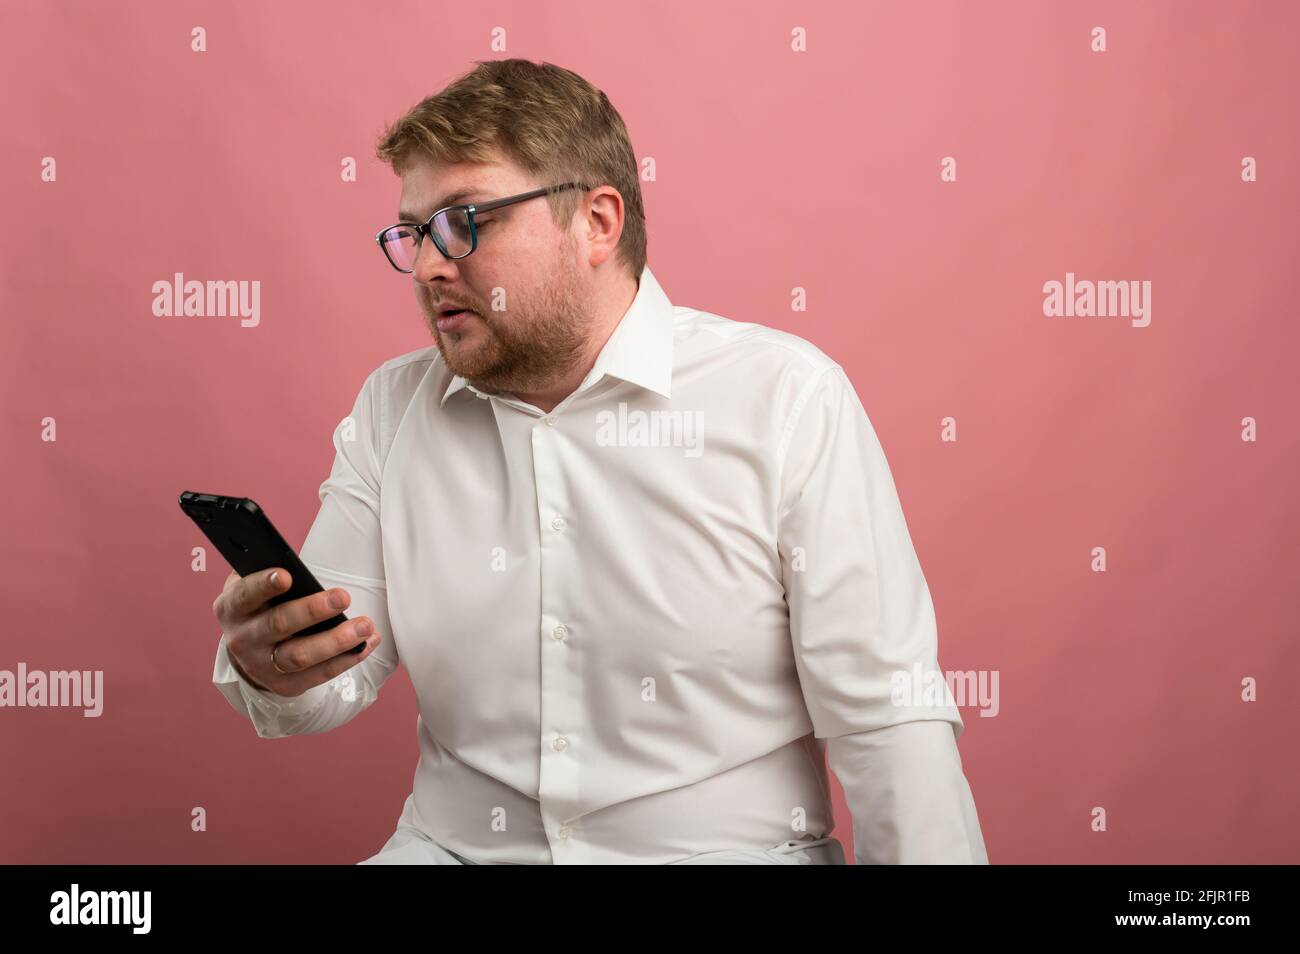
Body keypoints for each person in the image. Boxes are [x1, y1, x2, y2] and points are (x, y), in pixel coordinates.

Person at [210, 58, 988, 865]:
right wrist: (273, 667)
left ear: (598, 223)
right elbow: (332, 677)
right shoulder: (392, 407)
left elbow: (888, 719)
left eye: (464, 219)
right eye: (413, 233)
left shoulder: (787, 401)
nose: (431, 265)